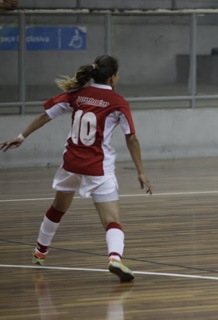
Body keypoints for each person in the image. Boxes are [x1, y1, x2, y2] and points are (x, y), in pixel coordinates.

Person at [1, 54, 152, 283]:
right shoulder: (118, 102)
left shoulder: (77, 95)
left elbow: (46, 115)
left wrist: (22, 136)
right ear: (112, 77)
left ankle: (40, 251)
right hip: (97, 168)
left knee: (58, 207)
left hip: (70, 164)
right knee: (111, 220)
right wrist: (141, 171)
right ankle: (114, 258)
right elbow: (131, 138)